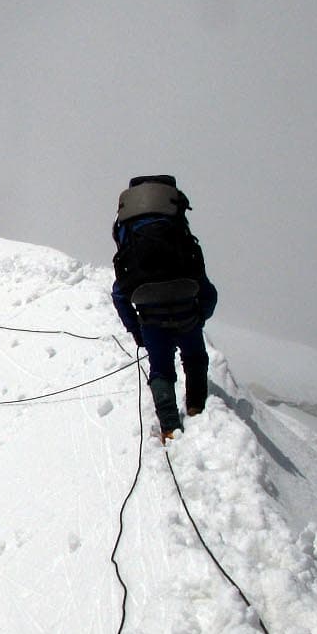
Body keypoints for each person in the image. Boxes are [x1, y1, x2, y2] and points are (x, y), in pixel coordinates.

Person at [110, 175, 218, 440]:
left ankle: (170, 427)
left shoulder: (128, 229)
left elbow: (120, 294)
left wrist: (136, 330)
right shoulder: (177, 230)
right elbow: (207, 291)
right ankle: (197, 408)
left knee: (160, 369)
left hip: (150, 317)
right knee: (195, 358)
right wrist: (198, 315)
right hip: (186, 309)